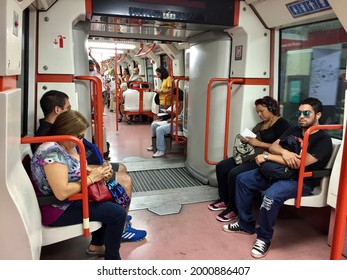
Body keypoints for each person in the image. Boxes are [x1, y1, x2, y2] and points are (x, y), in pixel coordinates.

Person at [33, 90, 147, 244]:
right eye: (68, 107)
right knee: (124, 180)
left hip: (77, 171)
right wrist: (94, 174)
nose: (71, 111)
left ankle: (119, 221)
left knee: (121, 168)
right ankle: (122, 229)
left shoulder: (60, 133)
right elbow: (61, 176)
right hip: (65, 196)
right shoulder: (51, 139)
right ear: (57, 110)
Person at [224, 97, 332, 259]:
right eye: (299, 113)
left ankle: (264, 238)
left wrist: (268, 157)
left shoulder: (323, 139)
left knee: (270, 196)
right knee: (242, 179)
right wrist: (285, 152)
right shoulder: (294, 130)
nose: (301, 116)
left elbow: (300, 163)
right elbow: (275, 146)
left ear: (318, 115)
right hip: (279, 172)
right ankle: (246, 224)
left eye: (306, 113)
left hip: (301, 180)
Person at [31, 110, 126, 260]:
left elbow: (74, 170)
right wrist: (91, 179)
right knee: (118, 214)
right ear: (66, 132)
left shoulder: (67, 145)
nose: (81, 141)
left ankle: (97, 245)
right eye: (79, 136)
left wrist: (98, 172)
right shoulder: (52, 153)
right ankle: (113, 259)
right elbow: (61, 193)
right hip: (58, 208)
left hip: (69, 201)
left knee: (111, 201)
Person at [208, 96, 291, 223]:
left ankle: (234, 208)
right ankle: (225, 199)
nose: (259, 114)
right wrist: (246, 140)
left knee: (234, 173)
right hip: (250, 154)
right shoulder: (261, 125)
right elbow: (253, 141)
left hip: (266, 159)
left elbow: (280, 148)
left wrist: (258, 143)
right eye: (257, 112)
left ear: (272, 109)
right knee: (222, 166)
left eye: (261, 111)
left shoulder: (282, 124)